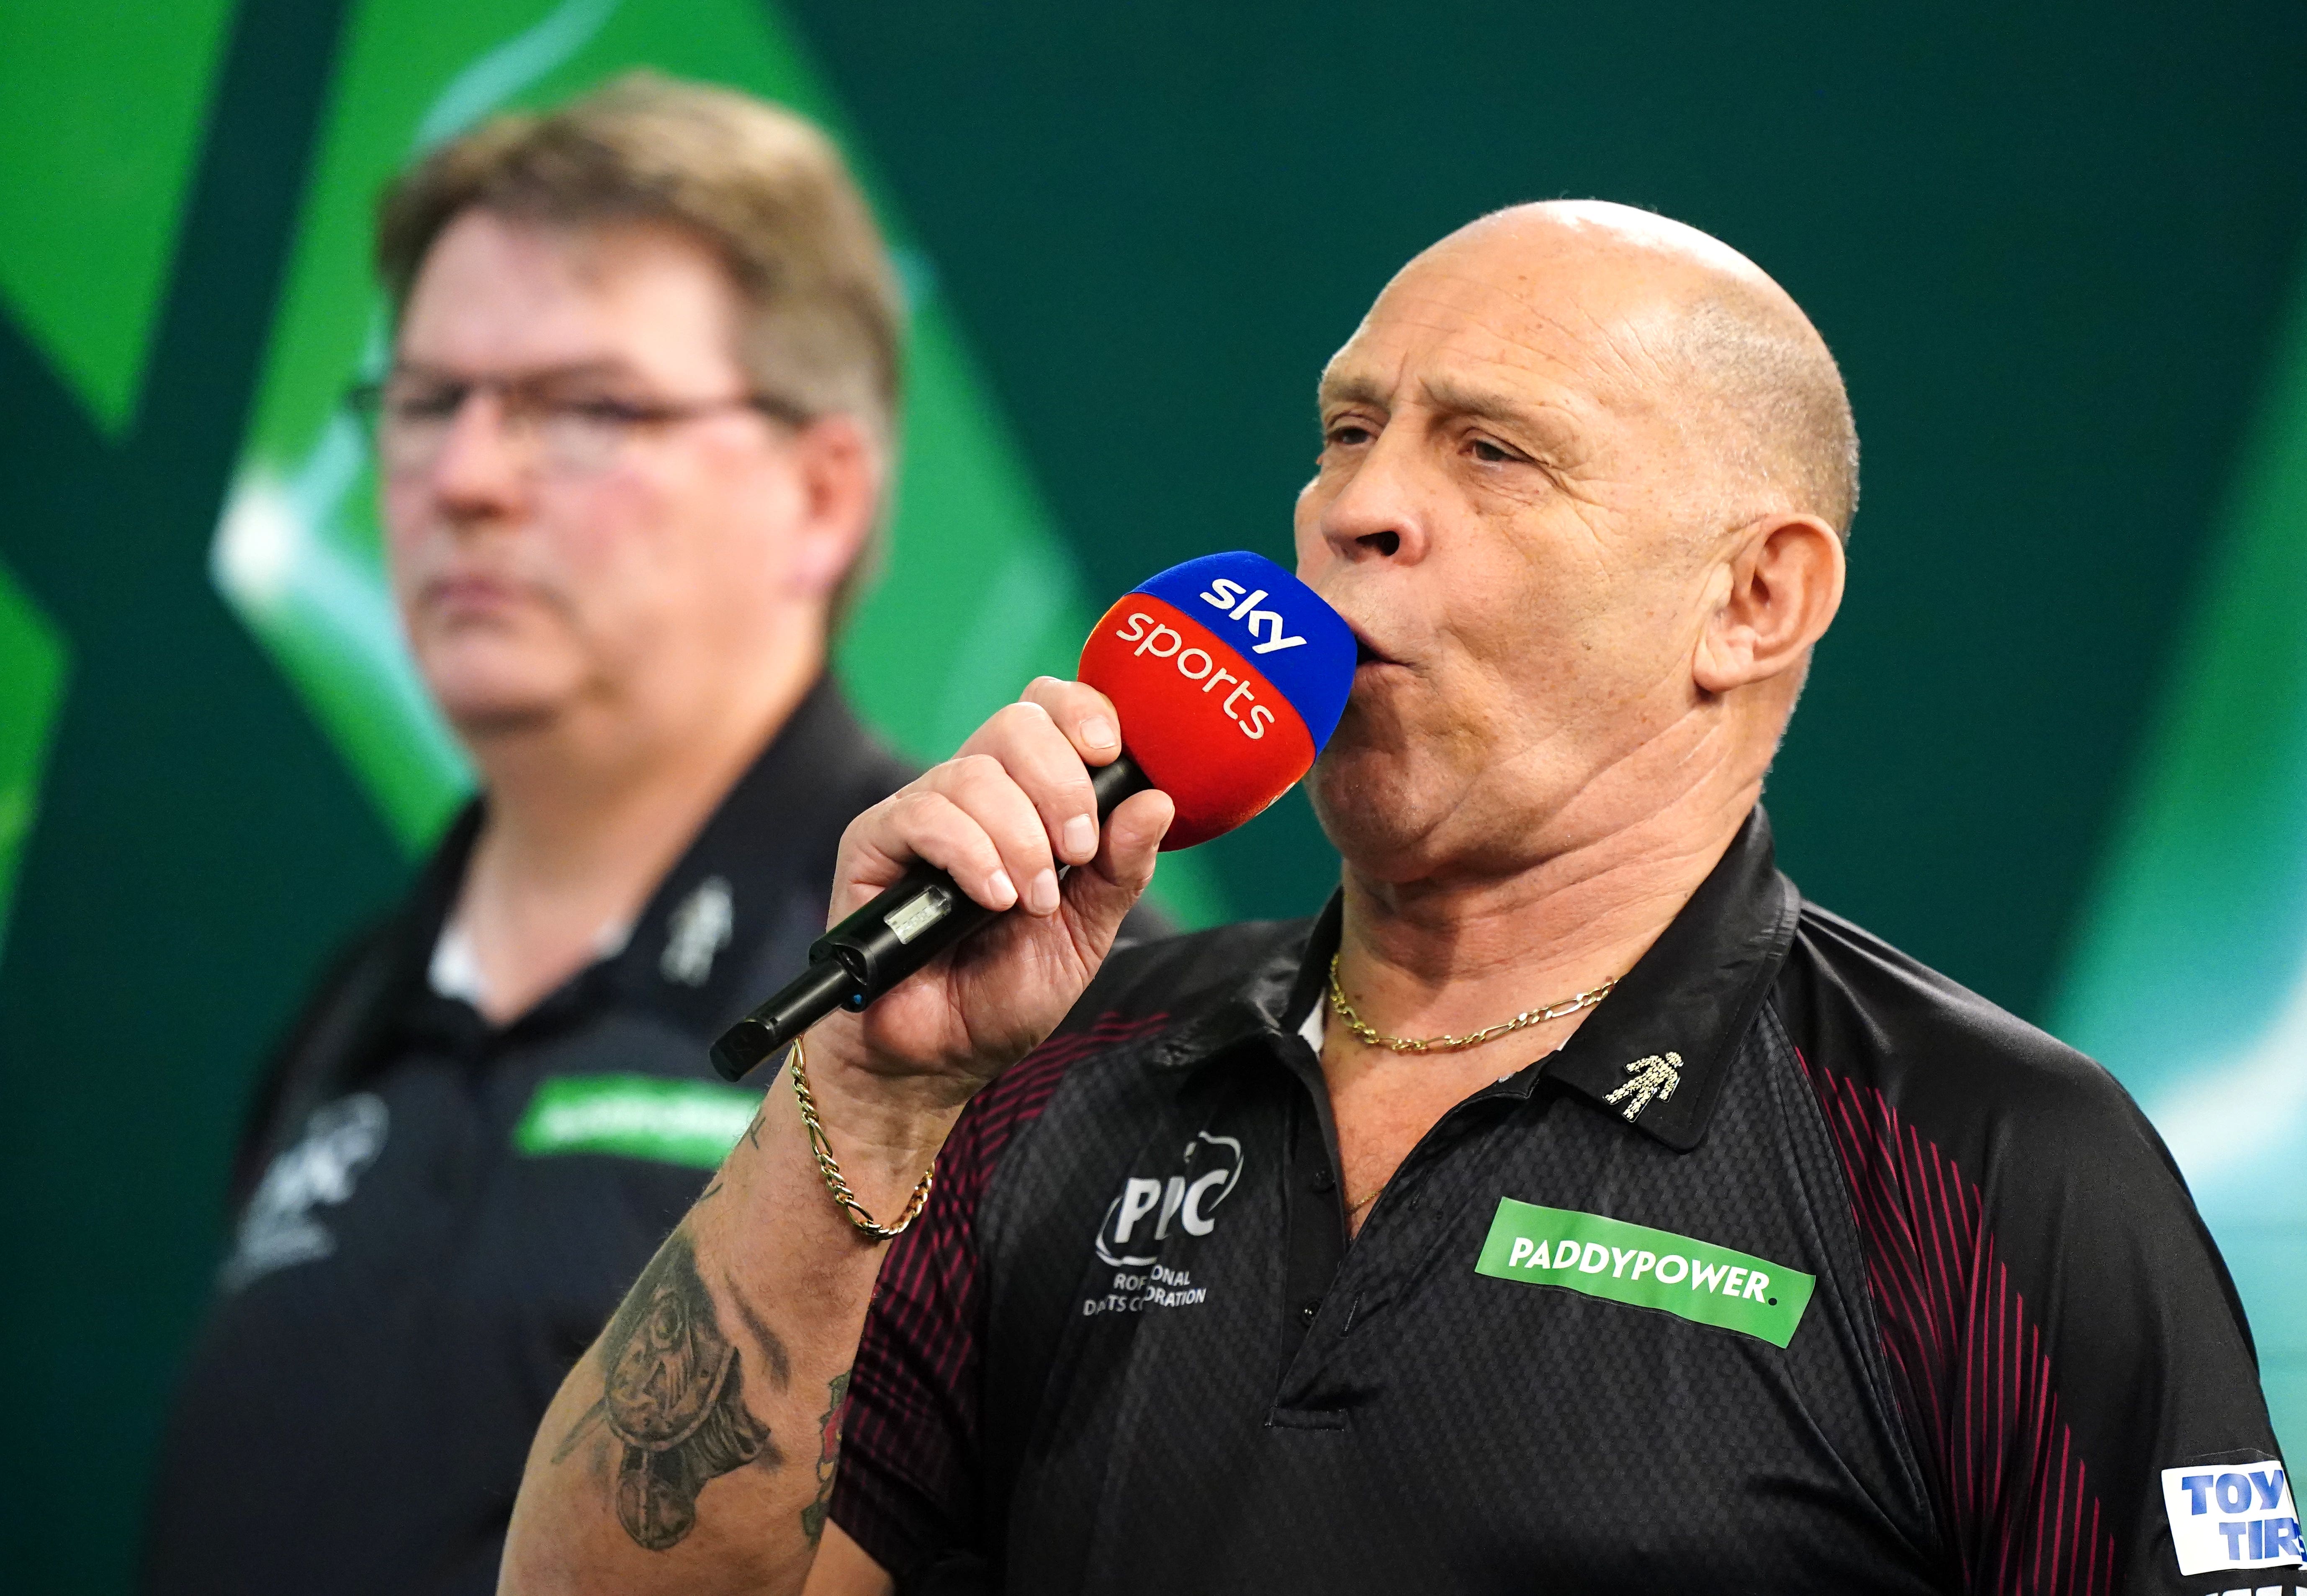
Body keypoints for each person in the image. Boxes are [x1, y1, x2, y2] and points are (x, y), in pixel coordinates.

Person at [499, 201, 2300, 1596]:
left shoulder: (1989, 1169)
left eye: (1488, 452)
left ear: (1752, 598)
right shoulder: (1041, 1085)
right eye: (1344, 431)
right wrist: (873, 1104)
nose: (1358, 507)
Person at [147, 73, 933, 1596]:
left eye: (584, 410)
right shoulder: (346, 1010)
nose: (466, 481)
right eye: (428, 401)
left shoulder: (975, 976)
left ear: (822, 494)